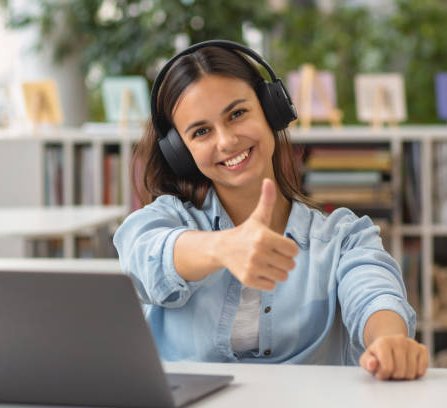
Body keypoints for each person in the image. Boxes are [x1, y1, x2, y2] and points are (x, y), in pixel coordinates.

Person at [113, 40, 428, 381]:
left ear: (271, 110)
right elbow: (141, 258)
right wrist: (224, 247)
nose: (226, 141)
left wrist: (389, 342)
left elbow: (374, 292)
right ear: (181, 151)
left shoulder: (343, 237)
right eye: (201, 131)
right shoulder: (165, 220)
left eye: (237, 114)